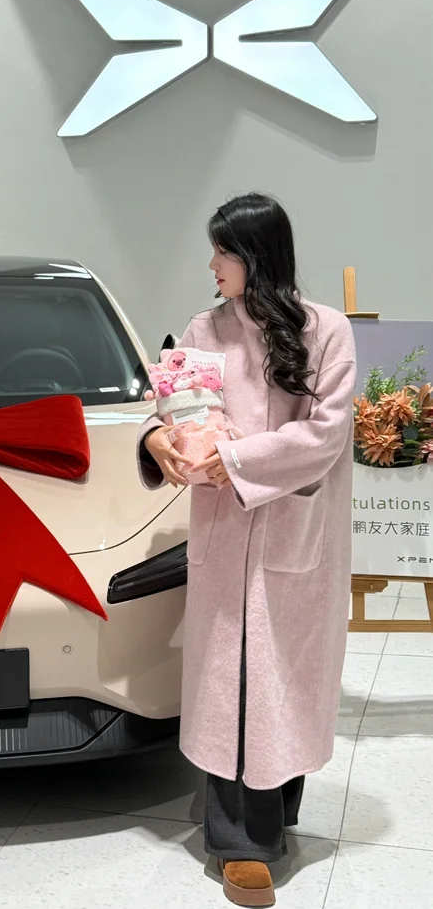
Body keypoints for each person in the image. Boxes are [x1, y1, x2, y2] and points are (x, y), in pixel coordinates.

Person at [137, 193, 355, 908]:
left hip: (295, 533)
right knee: (229, 682)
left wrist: (235, 460)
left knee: (281, 679)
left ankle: (274, 810)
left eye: (223, 251)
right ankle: (242, 843)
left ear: (257, 256)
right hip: (225, 535)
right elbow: (171, 407)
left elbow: (325, 435)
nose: (212, 265)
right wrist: (157, 438)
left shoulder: (326, 330)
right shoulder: (204, 329)